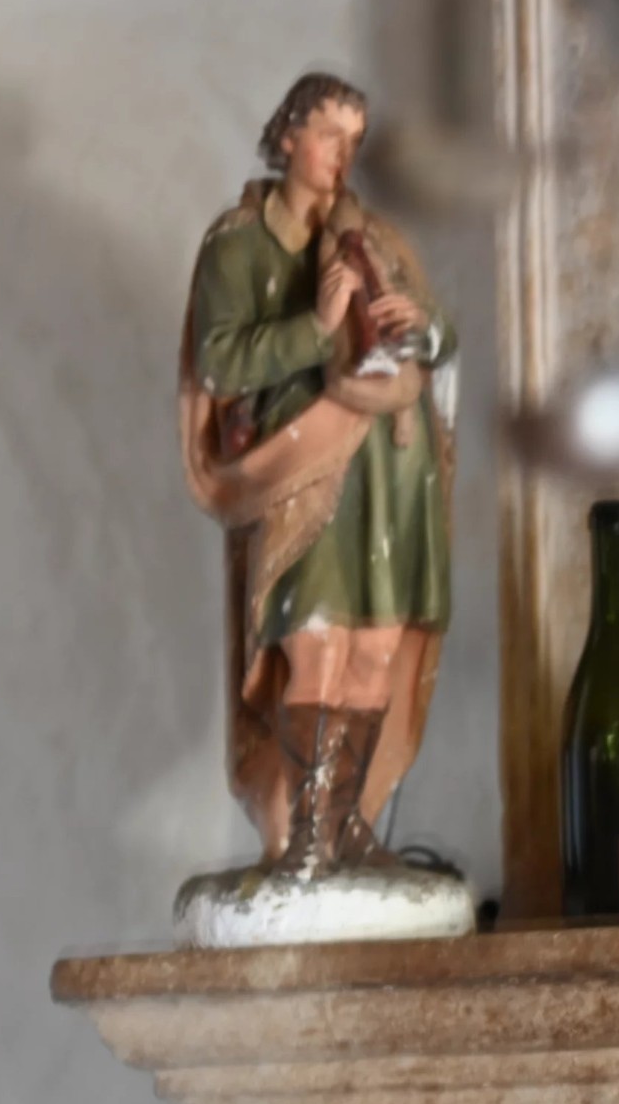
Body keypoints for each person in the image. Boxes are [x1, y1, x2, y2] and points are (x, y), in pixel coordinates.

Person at [178, 71, 456, 877]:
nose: (343, 154)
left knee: (375, 648)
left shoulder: (375, 238)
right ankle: (305, 831)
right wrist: (316, 325)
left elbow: (442, 334)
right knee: (317, 645)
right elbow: (218, 361)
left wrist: (423, 328)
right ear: (289, 134)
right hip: (306, 470)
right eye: (330, 134)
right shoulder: (239, 243)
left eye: (354, 140)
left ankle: (344, 824)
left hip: (390, 471)